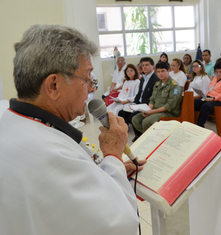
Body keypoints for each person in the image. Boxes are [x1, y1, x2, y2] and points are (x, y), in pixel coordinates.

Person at [0, 24, 141, 234]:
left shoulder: (12, 121)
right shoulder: (49, 155)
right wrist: (113, 155)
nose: (92, 87)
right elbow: (121, 224)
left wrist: (111, 171)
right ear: (53, 86)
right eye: (87, 78)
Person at [132, 62, 182, 133]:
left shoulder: (174, 86)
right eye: (158, 72)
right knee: (135, 119)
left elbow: (170, 106)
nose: (160, 74)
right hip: (156, 111)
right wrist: (148, 110)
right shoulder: (157, 84)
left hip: (169, 113)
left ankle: (149, 137)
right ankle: (150, 135)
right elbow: (152, 99)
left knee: (147, 121)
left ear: (168, 71)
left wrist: (152, 112)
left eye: (163, 71)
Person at [118, 57, 159, 142]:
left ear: (153, 66)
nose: (144, 67)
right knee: (122, 112)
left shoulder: (156, 79)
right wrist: (134, 103)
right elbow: (139, 94)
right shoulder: (143, 78)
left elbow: (154, 97)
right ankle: (125, 133)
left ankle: (139, 134)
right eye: (143, 65)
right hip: (139, 103)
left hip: (147, 105)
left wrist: (141, 106)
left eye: (147, 65)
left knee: (132, 116)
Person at [194, 61, 221, 127]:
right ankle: (191, 122)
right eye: (216, 72)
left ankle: (200, 126)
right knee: (194, 103)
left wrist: (212, 99)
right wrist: (205, 96)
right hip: (209, 98)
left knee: (205, 106)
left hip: (220, 101)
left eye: (220, 72)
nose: (218, 74)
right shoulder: (215, 78)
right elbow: (210, 89)